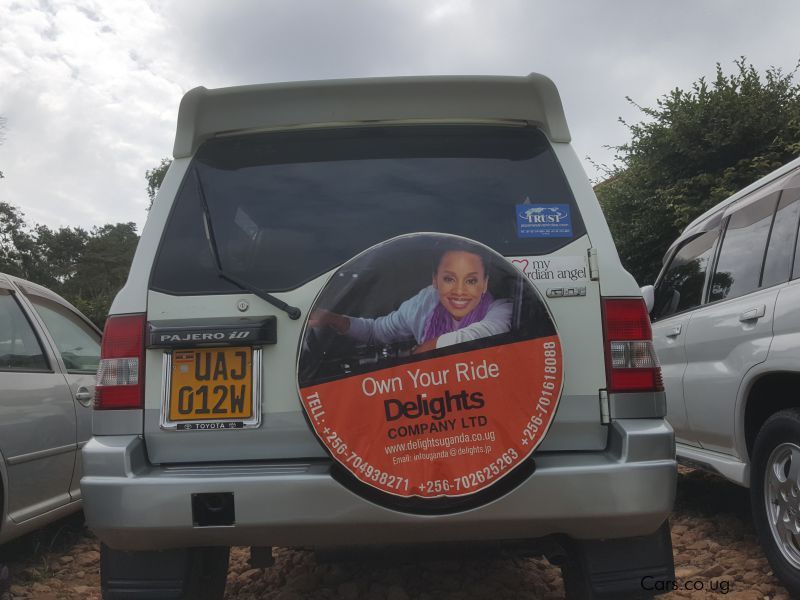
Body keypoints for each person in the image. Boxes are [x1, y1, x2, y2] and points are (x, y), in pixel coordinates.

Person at [308, 243, 512, 354]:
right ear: (435, 280)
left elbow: (486, 333)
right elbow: (377, 331)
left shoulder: (501, 309)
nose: (459, 291)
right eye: (449, 279)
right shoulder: (425, 303)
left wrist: (423, 350)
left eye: (471, 280)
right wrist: (335, 320)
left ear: (485, 283)